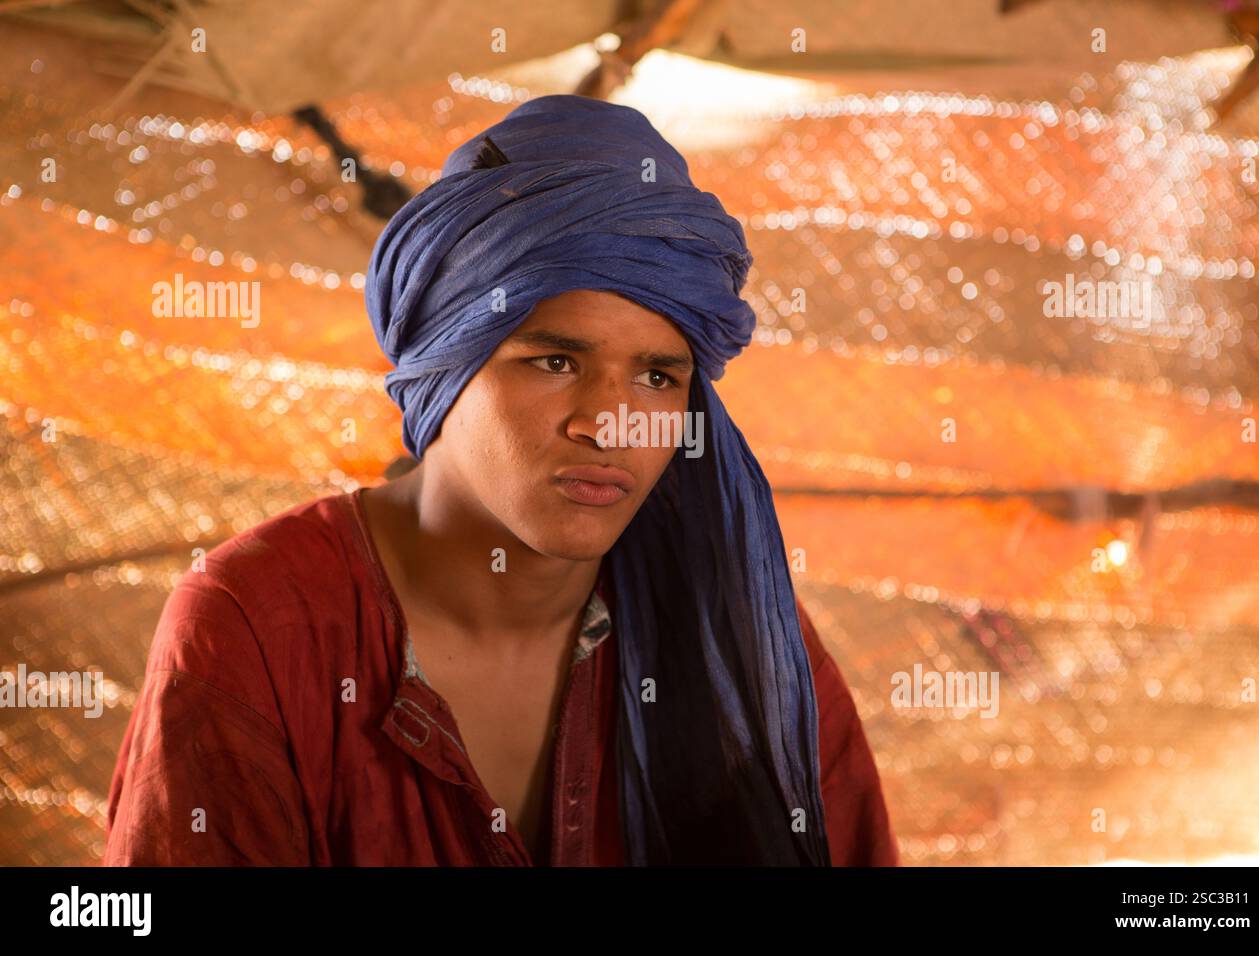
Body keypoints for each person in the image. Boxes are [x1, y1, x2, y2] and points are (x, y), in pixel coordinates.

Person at [104, 94, 898, 866]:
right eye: (556, 362)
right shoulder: (260, 624)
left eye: (658, 377)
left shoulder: (738, 629)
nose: (611, 422)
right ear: (444, 365)